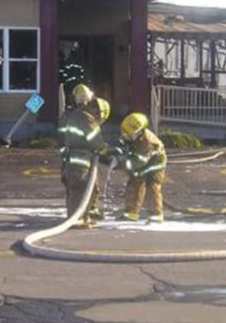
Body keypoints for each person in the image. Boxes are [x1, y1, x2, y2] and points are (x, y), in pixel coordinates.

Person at [57, 84, 110, 228]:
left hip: (72, 157)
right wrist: (105, 151)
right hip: (79, 159)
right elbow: (94, 139)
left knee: (84, 187)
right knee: (79, 188)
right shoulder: (86, 118)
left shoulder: (73, 115)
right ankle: (77, 219)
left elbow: (62, 137)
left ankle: (85, 215)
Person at [118, 112, 167, 223]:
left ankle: (156, 216)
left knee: (152, 187)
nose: (126, 136)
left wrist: (122, 164)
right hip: (140, 160)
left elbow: (139, 162)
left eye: (129, 135)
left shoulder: (147, 142)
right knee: (134, 184)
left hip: (155, 164)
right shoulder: (132, 135)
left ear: (140, 131)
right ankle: (131, 213)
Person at [58, 42, 86, 108]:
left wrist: (64, 81)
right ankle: (72, 106)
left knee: (71, 95)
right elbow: (82, 73)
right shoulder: (78, 61)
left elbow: (65, 73)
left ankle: (71, 106)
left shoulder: (69, 61)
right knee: (73, 96)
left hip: (71, 83)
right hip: (75, 83)